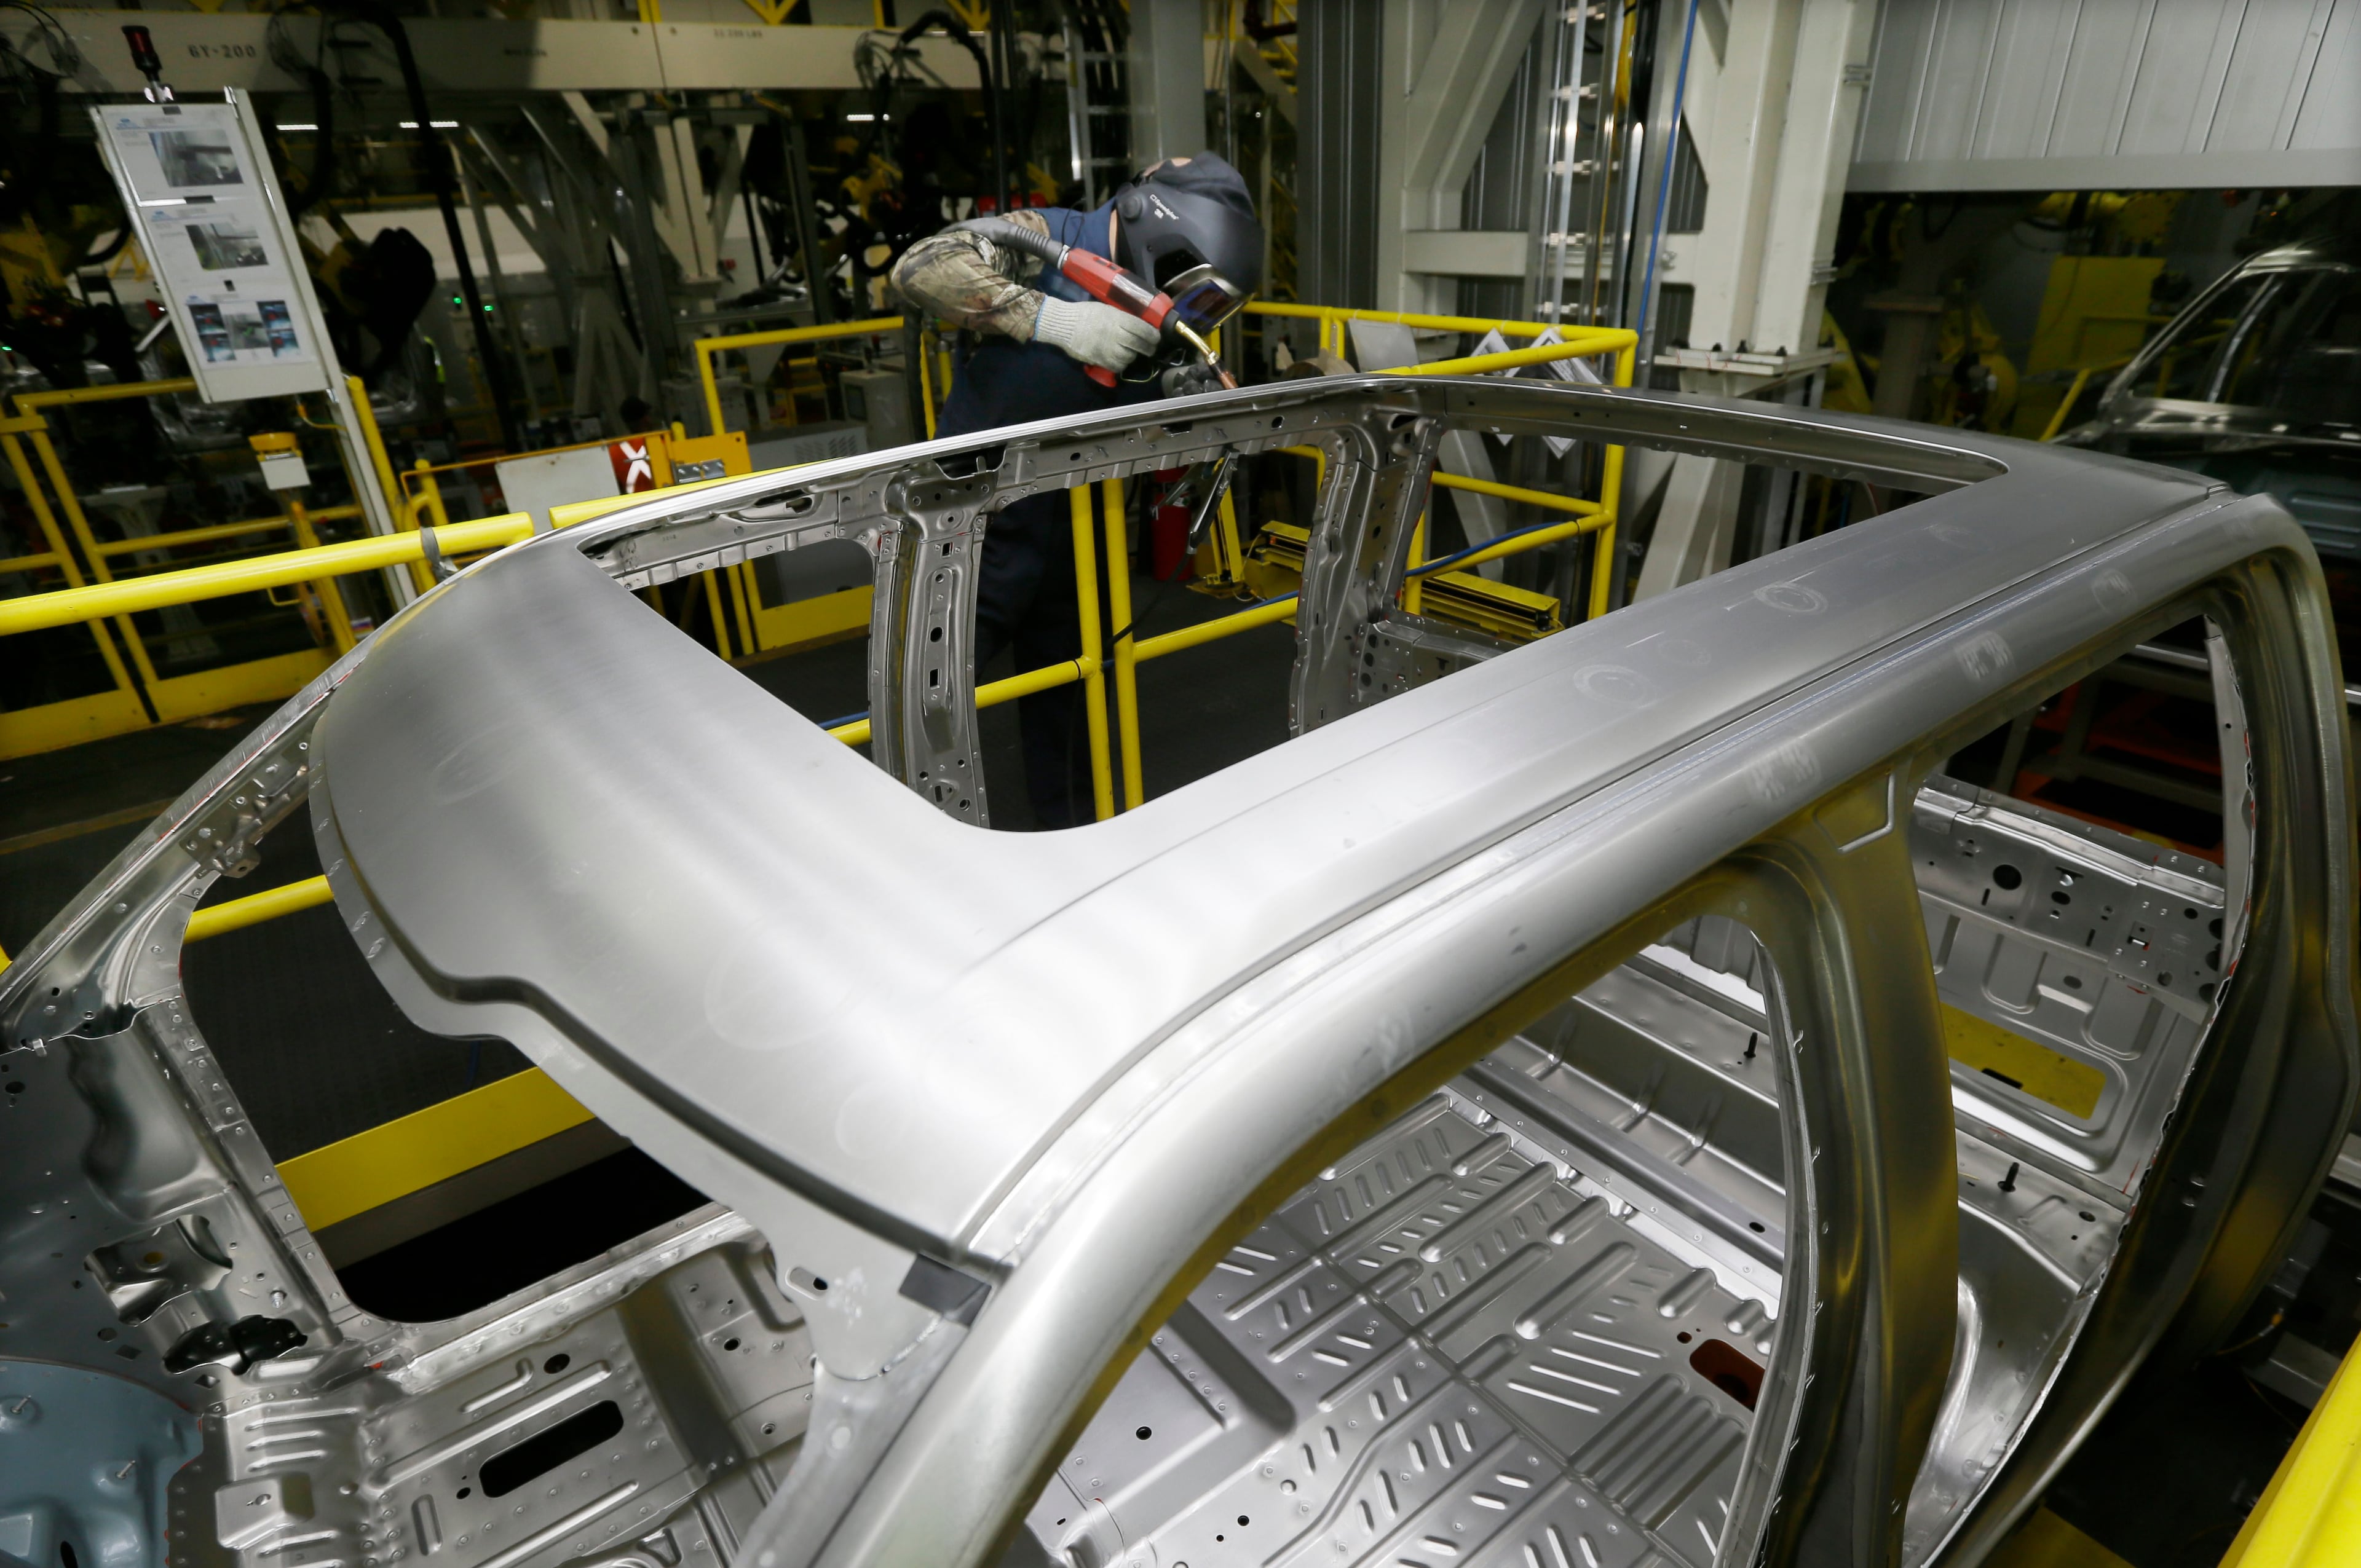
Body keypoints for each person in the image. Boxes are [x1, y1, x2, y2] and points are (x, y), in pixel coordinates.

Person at [890, 154, 1261, 827]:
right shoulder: (1050, 238)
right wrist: (1055, 322)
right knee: (929, 687)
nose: (1197, 315)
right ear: (1161, 234)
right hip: (974, 519)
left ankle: (1075, 833)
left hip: (1076, 518)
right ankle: (897, 837)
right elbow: (920, 266)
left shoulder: (1168, 297)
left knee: (1074, 694)